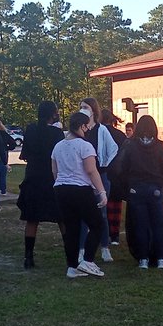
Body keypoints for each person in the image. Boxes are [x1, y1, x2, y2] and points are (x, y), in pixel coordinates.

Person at [51, 110, 109, 279]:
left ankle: (72, 267)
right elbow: (91, 171)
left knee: (72, 229)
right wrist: (102, 192)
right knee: (97, 224)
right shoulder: (85, 146)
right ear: (82, 126)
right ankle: (88, 261)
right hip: (80, 190)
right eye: (87, 127)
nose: (88, 130)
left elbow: (54, 170)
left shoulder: (58, 145)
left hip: (61, 190)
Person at [117, 114, 163, 269]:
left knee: (140, 224)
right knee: (157, 224)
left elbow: (121, 166)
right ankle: (161, 259)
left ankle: (143, 259)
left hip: (136, 189)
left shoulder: (130, 145)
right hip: (155, 188)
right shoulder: (159, 146)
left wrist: (126, 184)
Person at [17, 101, 64, 269]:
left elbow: (25, 155)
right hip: (52, 178)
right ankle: (70, 255)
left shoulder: (30, 130)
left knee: (32, 219)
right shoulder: (57, 133)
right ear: (53, 114)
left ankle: (28, 257)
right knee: (61, 218)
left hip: (33, 178)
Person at [77, 98, 121, 261]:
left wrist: (104, 164)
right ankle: (81, 249)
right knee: (83, 213)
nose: (83, 110)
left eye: (86, 107)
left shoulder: (101, 130)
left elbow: (113, 149)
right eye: (81, 107)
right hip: (82, 176)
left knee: (102, 213)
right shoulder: (79, 129)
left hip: (100, 175)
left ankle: (104, 247)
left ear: (93, 111)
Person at [100, 108, 128, 247]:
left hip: (101, 173)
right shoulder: (120, 135)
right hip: (117, 175)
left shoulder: (97, 133)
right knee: (116, 206)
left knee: (102, 206)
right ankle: (115, 235)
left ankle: (101, 233)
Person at [0, 120, 17, 197]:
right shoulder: (5, 134)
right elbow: (13, 143)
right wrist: (7, 148)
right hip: (4, 154)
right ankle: (3, 190)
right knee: (3, 174)